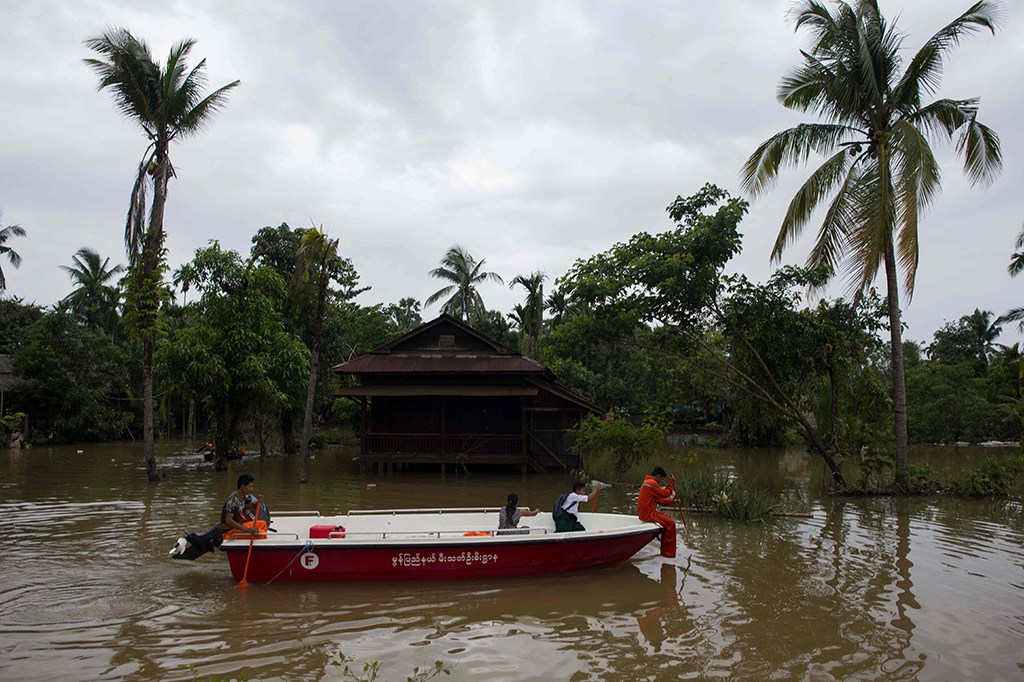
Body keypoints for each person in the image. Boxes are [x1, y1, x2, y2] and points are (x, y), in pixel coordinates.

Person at [638, 466, 677, 558]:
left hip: (645, 513)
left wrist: (673, 502)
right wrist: (670, 483)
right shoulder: (652, 483)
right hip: (648, 513)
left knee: (668, 519)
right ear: (658, 476)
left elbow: (660, 501)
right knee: (671, 523)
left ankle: (664, 549)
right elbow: (665, 494)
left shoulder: (647, 483)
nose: (660, 481)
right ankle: (668, 553)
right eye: (661, 479)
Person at [220, 473, 265, 539]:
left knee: (263, 524)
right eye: (250, 486)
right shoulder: (232, 500)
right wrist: (247, 530)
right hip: (230, 531)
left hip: (238, 526)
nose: (252, 489)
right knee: (261, 533)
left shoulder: (244, 496)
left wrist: (259, 501)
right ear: (243, 487)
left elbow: (254, 506)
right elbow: (228, 521)